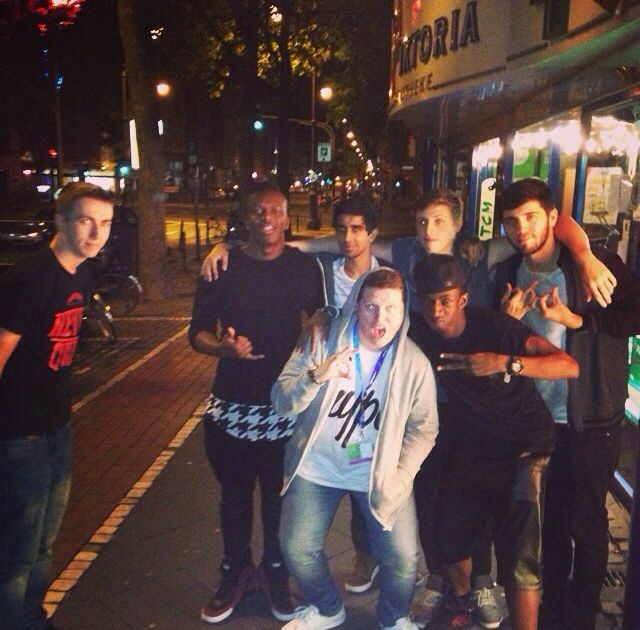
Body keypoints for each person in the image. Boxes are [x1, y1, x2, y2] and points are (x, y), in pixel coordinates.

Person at [200, 188, 615, 627]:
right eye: (422, 221)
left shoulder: (481, 284)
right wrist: (315, 329)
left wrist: (582, 260)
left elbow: (556, 238)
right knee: (439, 525)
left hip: (494, 437)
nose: (428, 230)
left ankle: (479, 592)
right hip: (429, 435)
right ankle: (411, 595)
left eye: (439, 221)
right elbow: (333, 248)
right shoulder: (387, 316)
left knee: (507, 540)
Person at [493, 178, 640, 630]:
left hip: (591, 418)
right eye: (512, 222)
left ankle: (583, 614)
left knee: (588, 525)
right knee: (550, 522)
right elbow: (503, 347)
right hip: (537, 421)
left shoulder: (590, 267)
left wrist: (577, 319)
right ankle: (553, 606)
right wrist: (507, 324)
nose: (522, 229)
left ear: (554, 218)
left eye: (532, 217)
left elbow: (633, 316)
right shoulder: (506, 273)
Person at [410, 253, 579, 630]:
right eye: (428, 301)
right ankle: (465, 599)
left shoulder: (497, 328)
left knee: (519, 555)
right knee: (448, 539)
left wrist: (505, 362)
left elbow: (568, 365)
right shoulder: (418, 330)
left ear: (463, 299)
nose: (436, 311)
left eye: (445, 300)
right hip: (473, 447)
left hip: (525, 448)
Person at [272, 268, 439, 630]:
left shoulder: (414, 364)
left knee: (403, 561)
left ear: (404, 309)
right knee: (296, 547)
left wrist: (403, 475)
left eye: (392, 308)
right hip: (316, 468)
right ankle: (328, 608)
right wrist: (318, 376)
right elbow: (281, 400)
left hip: (378, 475)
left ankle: (394, 619)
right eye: (371, 307)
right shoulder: (322, 340)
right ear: (356, 305)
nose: (381, 319)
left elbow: (425, 429)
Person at [189, 180, 325, 624]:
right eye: (258, 212)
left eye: (276, 210)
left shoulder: (305, 267)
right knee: (234, 497)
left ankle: (275, 571)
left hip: (285, 407)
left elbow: (320, 312)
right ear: (245, 218)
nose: (268, 219)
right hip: (232, 404)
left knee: (279, 499)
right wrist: (221, 349)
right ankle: (234, 571)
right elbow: (198, 332)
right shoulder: (222, 267)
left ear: (288, 216)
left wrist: (316, 330)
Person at [0, 182, 114, 630]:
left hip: (58, 425)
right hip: (18, 432)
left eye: (104, 224)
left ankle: (32, 616)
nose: (96, 233)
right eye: (86, 221)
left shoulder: (81, 273)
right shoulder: (30, 278)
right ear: (62, 221)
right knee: (19, 546)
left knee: (45, 540)